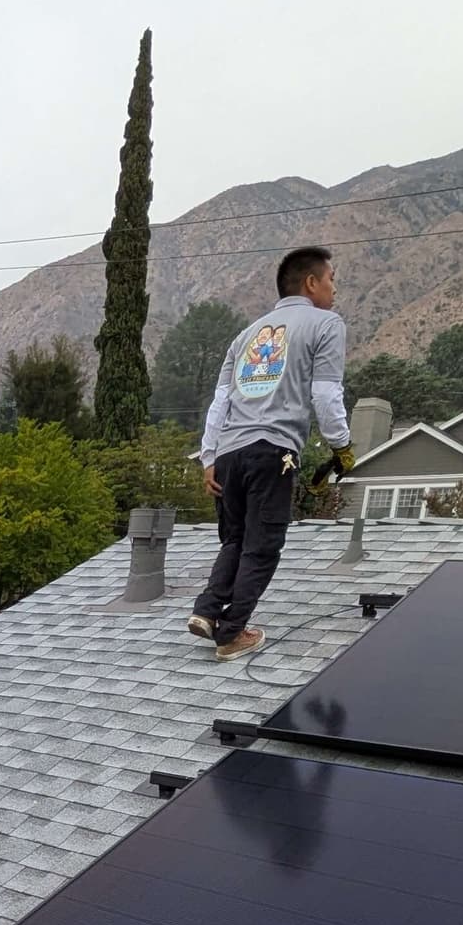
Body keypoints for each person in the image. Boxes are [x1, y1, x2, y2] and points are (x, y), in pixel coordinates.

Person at [189, 245, 349, 659]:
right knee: (262, 546)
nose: (335, 289)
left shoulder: (246, 335)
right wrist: (342, 447)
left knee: (235, 540)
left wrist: (209, 457)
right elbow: (326, 395)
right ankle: (232, 634)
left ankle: (207, 612)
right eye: (332, 279)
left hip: (228, 454)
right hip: (272, 450)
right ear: (312, 283)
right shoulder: (325, 324)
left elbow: (219, 402)